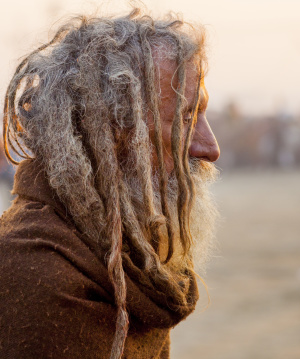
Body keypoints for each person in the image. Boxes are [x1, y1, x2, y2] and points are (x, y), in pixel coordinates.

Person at [0, 9, 220, 359]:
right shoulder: (36, 275)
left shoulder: (124, 255)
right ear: (113, 133)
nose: (210, 148)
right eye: (186, 118)